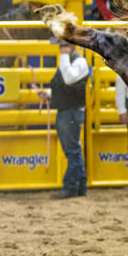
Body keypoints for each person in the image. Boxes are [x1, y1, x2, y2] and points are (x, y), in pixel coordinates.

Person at [34, 40, 89, 199]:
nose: (60, 49)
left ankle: (71, 187)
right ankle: (79, 187)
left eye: (62, 46)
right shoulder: (75, 62)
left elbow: (69, 79)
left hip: (70, 112)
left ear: (69, 46)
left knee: (72, 151)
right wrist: (49, 94)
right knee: (73, 150)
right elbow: (66, 84)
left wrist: (64, 57)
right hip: (69, 111)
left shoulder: (78, 61)